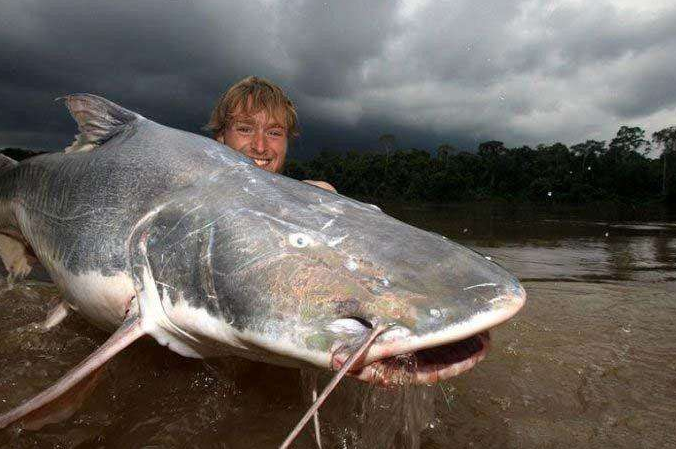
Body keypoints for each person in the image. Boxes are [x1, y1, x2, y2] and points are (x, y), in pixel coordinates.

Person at [206, 76, 336, 192]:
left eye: (273, 133)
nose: (260, 147)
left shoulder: (307, 200)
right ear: (221, 137)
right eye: (245, 130)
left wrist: (326, 208)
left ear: (287, 141)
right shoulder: (192, 197)